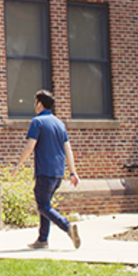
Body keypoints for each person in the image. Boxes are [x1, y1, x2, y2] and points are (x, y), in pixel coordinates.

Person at [11, 89, 81, 249]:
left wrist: (18, 165)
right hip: (58, 174)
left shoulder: (38, 122)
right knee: (46, 205)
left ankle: (68, 227)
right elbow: (68, 149)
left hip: (44, 171)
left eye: (35, 102)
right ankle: (43, 239)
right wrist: (72, 172)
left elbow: (30, 147)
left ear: (39, 104)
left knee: (43, 206)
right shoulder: (59, 123)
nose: (35, 105)